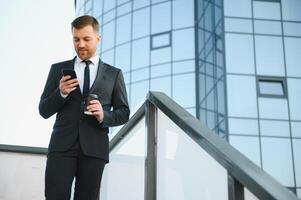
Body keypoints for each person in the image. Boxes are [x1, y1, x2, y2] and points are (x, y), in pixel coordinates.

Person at [39, 15, 130, 200]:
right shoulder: (57, 69)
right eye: (76, 39)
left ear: (98, 38)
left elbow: (124, 113)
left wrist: (104, 115)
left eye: (86, 39)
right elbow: (44, 110)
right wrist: (61, 93)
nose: (80, 44)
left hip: (95, 149)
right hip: (61, 147)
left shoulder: (114, 74)